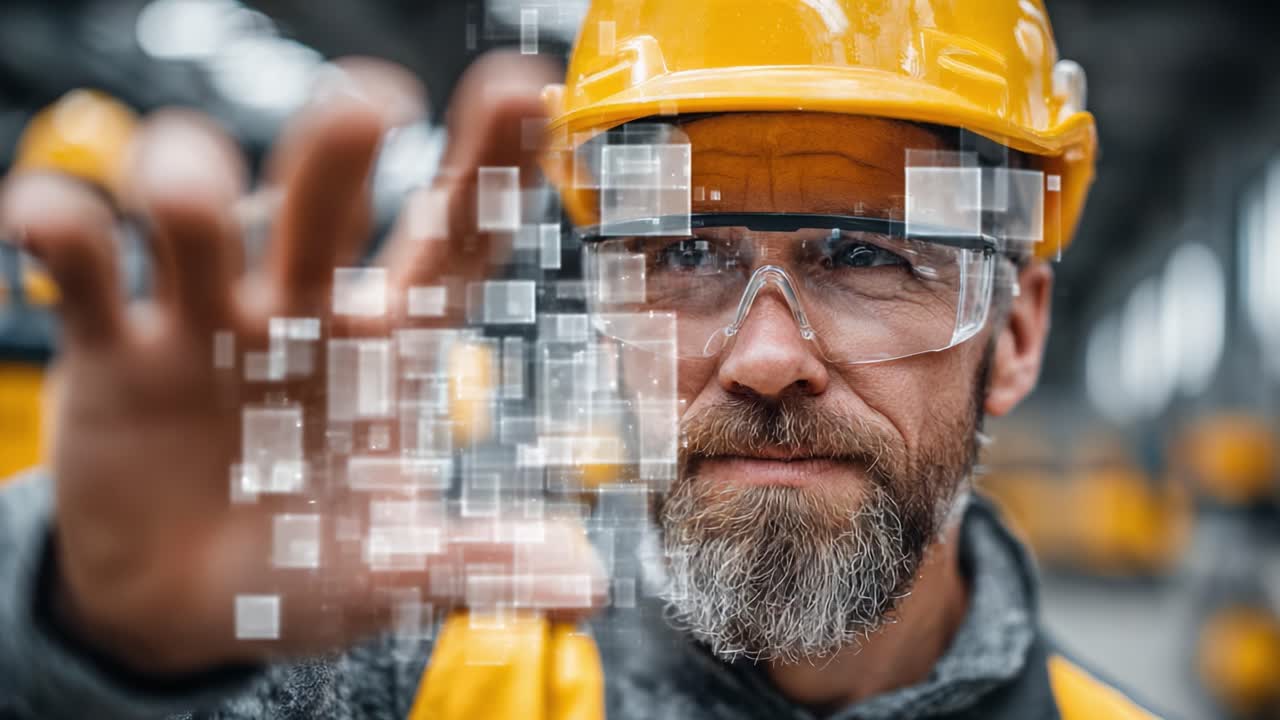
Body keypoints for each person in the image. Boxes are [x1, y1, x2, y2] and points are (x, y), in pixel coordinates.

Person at [0, 1, 1165, 718]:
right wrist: (90, 650)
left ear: (1010, 337)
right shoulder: (419, 675)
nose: (762, 357)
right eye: (684, 253)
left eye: (863, 255)